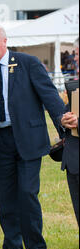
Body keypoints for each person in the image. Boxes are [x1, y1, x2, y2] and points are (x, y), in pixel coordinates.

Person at [0, 24, 66, 249]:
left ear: (5, 41)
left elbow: (50, 97)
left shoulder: (28, 63)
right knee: (6, 198)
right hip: (1, 140)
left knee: (27, 194)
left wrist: (64, 130)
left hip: (28, 139)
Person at [60, 37, 79, 226]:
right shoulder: (75, 84)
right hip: (73, 159)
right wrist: (64, 120)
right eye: (76, 54)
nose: (76, 58)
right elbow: (68, 111)